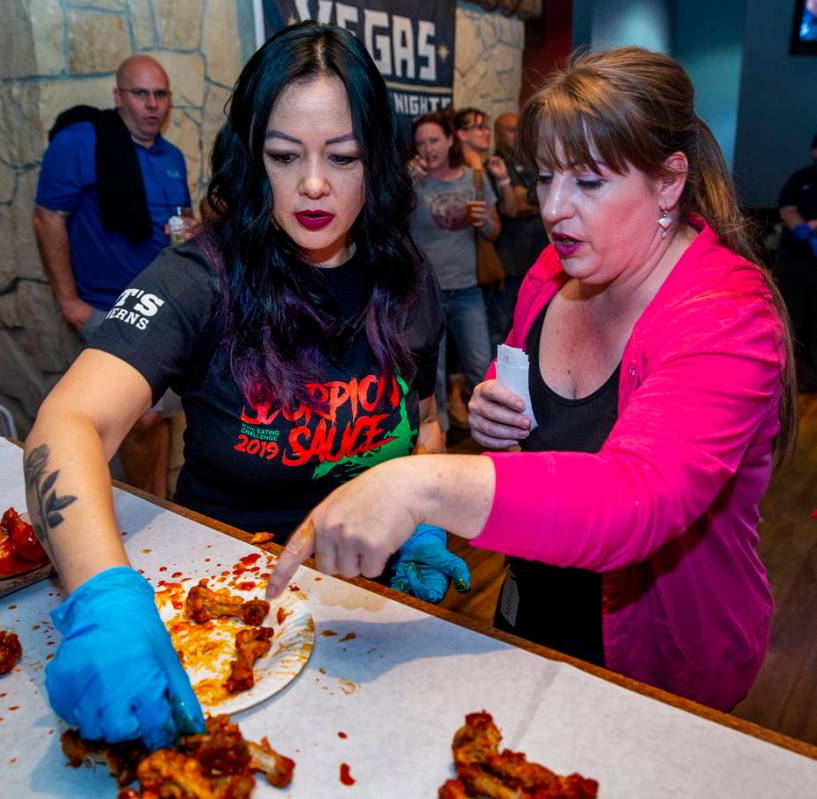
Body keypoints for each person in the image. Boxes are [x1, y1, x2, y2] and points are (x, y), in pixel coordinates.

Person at [268, 47, 798, 712]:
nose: (553, 208)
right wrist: (493, 410)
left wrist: (422, 483)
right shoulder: (553, 272)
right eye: (546, 178)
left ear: (667, 182)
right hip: (529, 610)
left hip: (660, 662)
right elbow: (516, 383)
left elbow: (637, 499)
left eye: (588, 183)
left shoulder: (726, 316)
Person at [24, 22, 468, 749]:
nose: (314, 184)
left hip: (364, 601)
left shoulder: (407, 277)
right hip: (225, 606)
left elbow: (420, 416)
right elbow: (68, 422)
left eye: (343, 157)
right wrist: (103, 594)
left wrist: (422, 509)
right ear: (251, 157)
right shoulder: (201, 277)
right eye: (285, 156)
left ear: (379, 161)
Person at [32, 54, 191, 498]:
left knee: (158, 418)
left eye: (161, 95)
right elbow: (48, 218)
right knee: (139, 417)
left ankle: (158, 505)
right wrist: (69, 301)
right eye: (141, 94)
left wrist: (191, 229)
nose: (153, 105)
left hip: (166, 303)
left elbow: (182, 219)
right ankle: (148, 507)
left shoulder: (172, 156)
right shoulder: (81, 141)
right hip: (109, 305)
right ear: (119, 97)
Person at [409, 111, 500, 436]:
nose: (428, 148)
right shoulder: (413, 180)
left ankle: (493, 439)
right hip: (423, 296)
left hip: (467, 291)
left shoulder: (472, 178)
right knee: (432, 378)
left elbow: (493, 230)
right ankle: (438, 440)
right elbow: (388, 226)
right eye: (420, 143)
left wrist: (483, 222)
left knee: (481, 367)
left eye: (434, 140)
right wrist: (406, 185)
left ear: (450, 140)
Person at [484, 112, 547, 349]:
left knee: (532, 324)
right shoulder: (494, 166)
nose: (518, 135)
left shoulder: (531, 162)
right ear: (498, 135)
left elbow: (536, 199)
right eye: (511, 130)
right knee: (501, 325)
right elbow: (512, 208)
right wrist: (530, 200)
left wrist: (528, 199)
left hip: (536, 257)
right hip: (508, 259)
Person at [774, 131, 817, 392]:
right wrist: (803, 229)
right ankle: (790, 380)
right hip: (795, 263)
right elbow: (786, 208)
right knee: (790, 320)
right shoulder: (801, 178)